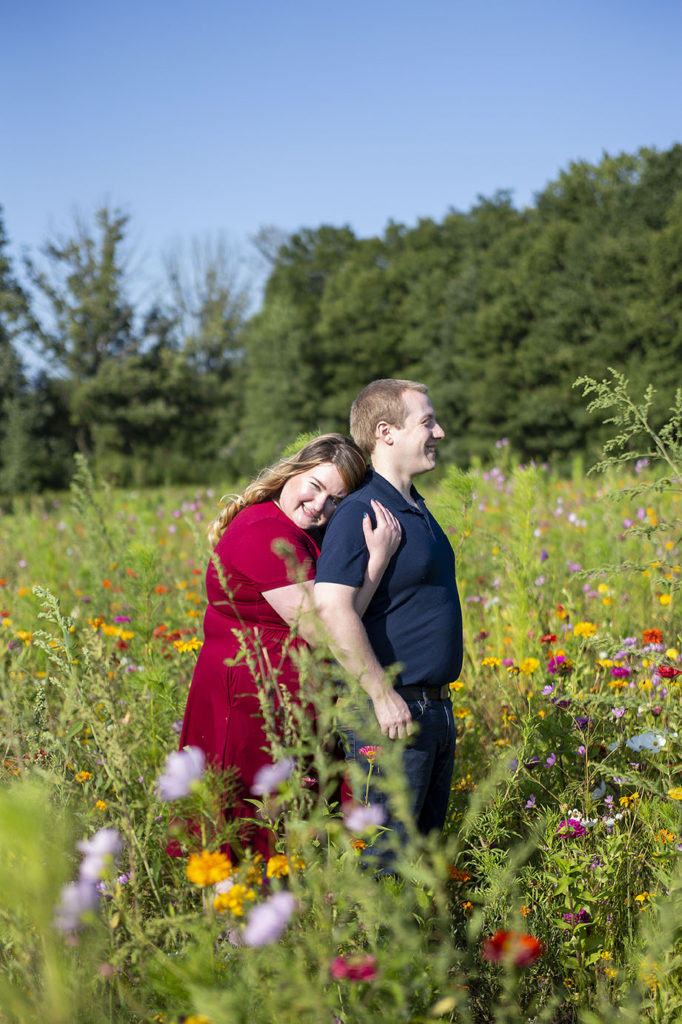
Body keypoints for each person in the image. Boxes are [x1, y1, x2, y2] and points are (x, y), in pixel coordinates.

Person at [177, 433, 401, 859]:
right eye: (314, 487)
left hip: (280, 698)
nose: (320, 507)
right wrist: (376, 563)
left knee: (291, 828)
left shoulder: (295, 530)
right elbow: (324, 629)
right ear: (293, 473)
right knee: (251, 828)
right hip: (250, 703)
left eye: (336, 500)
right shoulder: (266, 533)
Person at [314, 380, 463, 858]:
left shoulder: (414, 506)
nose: (438, 431)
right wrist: (381, 694)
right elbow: (332, 610)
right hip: (393, 713)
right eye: (427, 422)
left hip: (432, 709)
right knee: (388, 864)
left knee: (425, 862)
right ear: (386, 432)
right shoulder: (361, 512)